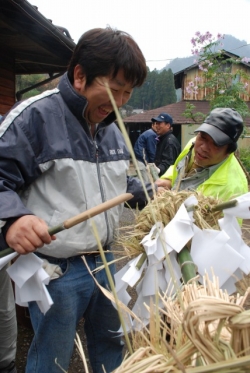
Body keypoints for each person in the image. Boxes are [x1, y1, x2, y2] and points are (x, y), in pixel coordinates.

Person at [0, 27, 156, 373]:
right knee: (52, 357)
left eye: (128, 92)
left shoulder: (110, 128)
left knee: (112, 345)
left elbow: (113, 183)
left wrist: (149, 192)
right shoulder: (35, 118)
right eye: (115, 89)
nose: (122, 101)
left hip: (106, 264)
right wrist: (13, 218)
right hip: (58, 270)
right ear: (80, 75)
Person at [155, 107, 248, 201]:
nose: (203, 147)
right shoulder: (193, 145)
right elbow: (178, 167)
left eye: (215, 144)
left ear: (229, 151)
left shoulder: (234, 191)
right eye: (203, 137)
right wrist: (169, 180)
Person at [151, 112, 181, 177]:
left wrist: (159, 169)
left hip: (167, 179)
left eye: (159, 123)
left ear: (168, 125)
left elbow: (169, 162)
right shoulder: (162, 138)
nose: (157, 125)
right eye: (156, 123)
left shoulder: (170, 141)